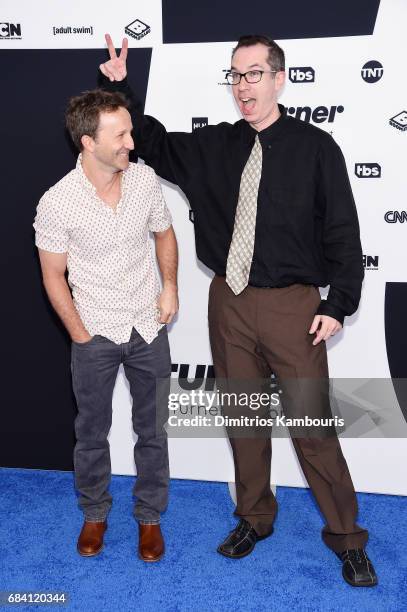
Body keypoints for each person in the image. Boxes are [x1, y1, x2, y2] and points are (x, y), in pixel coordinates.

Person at [99, 34, 378, 586]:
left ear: (279, 78)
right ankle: (254, 517)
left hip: (295, 307)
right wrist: (121, 87)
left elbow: (345, 233)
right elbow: (150, 140)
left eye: (254, 74)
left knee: (311, 425)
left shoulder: (317, 147)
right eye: (236, 75)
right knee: (245, 421)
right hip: (229, 301)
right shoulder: (216, 146)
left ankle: (346, 538)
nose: (243, 86)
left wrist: (338, 303)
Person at [33, 88, 178, 562]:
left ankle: (150, 518)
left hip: (146, 327)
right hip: (92, 332)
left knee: (153, 429)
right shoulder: (57, 202)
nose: (131, 143)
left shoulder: (145, 181)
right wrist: (78, 332)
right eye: (120, 135)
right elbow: (53, 275)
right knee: (92, 431)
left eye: (130, 131)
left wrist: (170, 286)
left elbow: (164, 232)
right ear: (88, 143)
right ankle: (95, 513)